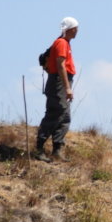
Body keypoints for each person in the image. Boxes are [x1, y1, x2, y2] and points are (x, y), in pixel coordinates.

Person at [34, 16, 79, 162]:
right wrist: (67, 88)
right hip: (58, 83)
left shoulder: (65, 43)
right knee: (55, 113)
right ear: (71, 29)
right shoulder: (61, 43)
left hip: (59, 82)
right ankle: (39, 148)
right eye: (76, 28)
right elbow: (60, 65)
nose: (77, 30)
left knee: (65, 116)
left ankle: (57, 150)